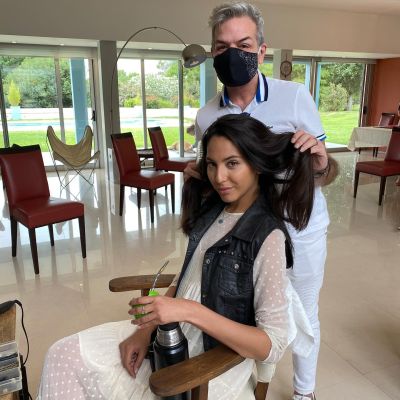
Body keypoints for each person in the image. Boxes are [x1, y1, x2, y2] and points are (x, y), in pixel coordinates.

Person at [37, 114, 316, 400]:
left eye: (232, 163)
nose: (219, 177)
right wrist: (145, 330)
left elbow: (272, 344)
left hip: (207, 365)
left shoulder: (268, 237)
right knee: (62, 355)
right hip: (169, 337)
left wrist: (188, 310)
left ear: (256, 164)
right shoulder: (216, 210)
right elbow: (188, 279)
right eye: (212, 164)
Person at [183, 3, 339, 399]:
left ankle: (304, 391)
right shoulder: (206, 116)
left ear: (262, 51)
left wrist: (321, 161)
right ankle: (242, 382)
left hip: (300, 231)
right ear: (212, 52)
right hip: (247, 238)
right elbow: (221, 181)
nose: (232, 53)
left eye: (243, 44)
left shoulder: (294, 97)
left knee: (305, 313)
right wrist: (201, 175)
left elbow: (325, 171)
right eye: (222, 47)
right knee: (248, 315)